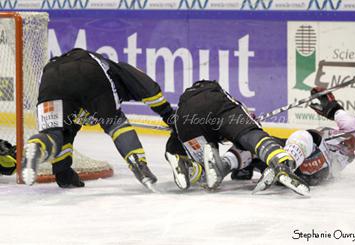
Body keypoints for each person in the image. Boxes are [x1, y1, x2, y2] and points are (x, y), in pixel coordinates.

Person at [22, 48, 175, 190]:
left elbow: (66, 135)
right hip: (87, 69)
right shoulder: (120, 71)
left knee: (53, 133)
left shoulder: (78, 106)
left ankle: (37, 146)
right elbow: (148, 87)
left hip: (51, 77)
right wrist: (169, 116)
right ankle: (139, 165)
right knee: (116, 123)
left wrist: (63, 172)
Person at [164, 80, 310, 196]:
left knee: (205, 171)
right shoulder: (224, 99)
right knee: (250, 135)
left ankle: (190, 168)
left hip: (184, 112)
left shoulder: (184, 113)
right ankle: (281, 162)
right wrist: (251, 124)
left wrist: (176, 137)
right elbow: (249, 132)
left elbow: (172, 148)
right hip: (213, 98)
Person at [231, 87, 355, 187]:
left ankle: (286, 165)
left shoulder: (347, 142)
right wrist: (246, 127)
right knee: (252, 140)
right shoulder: (340, 137)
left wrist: (335, 110)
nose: (348, 142)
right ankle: (223, 166)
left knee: (305, 136)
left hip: (316, 167)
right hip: (299, 161)